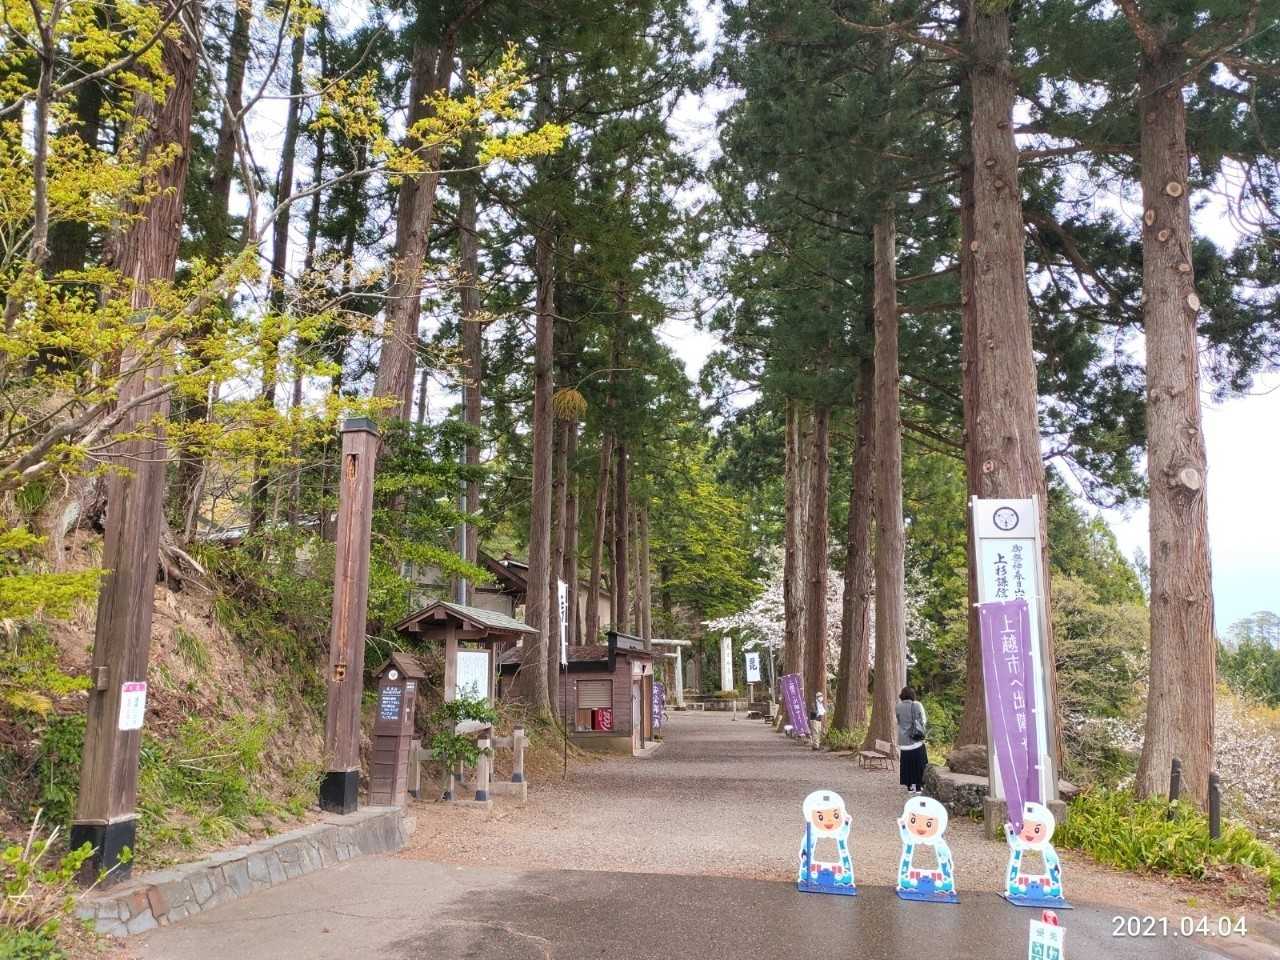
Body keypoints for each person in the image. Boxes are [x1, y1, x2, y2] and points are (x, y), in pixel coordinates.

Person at [895, 686, 928, 793]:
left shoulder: (898, 706)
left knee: (906, 764)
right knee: (919, 763)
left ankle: (909, 787)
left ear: (902, 695)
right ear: (912, 695)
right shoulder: (917, 705)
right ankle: (918, 787)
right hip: (915, 740)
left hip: (903, 741)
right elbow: (923, 720)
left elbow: (899, 721)